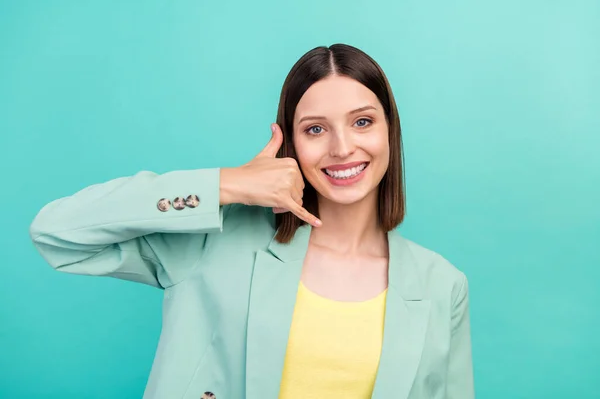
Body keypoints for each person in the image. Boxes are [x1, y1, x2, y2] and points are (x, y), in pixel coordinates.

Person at [29, 43, 474, 399]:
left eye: (362, 122)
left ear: (389, 131)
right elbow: (57, 233)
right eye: (315, 129)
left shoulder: (442, 285)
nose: (341, 148)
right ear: (290, 143)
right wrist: (226, 185)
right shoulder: (215, 242)